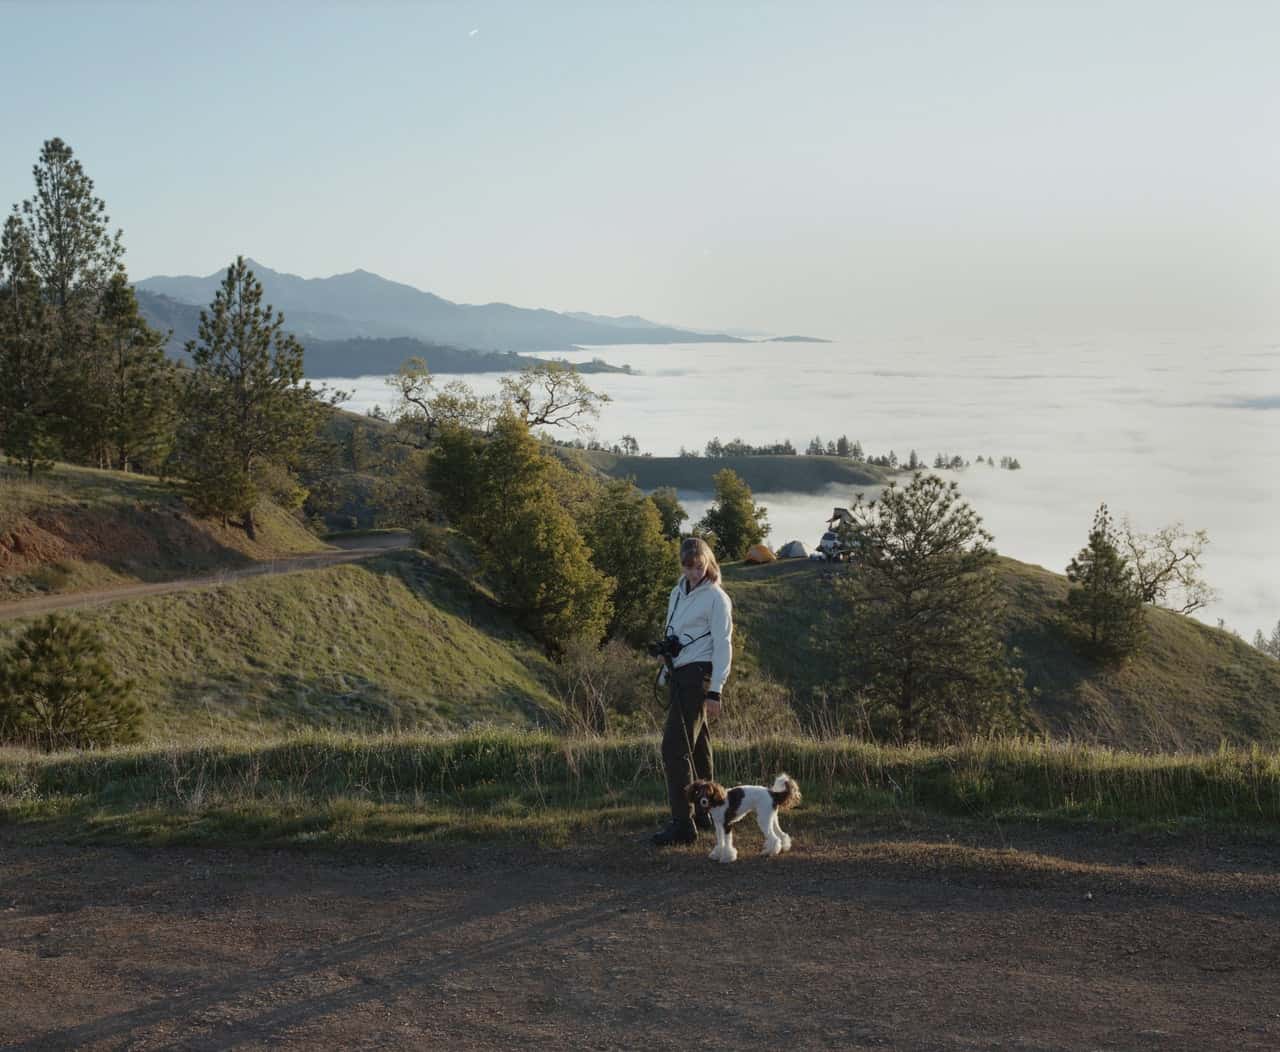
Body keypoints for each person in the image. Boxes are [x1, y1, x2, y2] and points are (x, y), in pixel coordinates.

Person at [651, 535, 734, 847]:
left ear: (708, 561)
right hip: (677, 672)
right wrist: (665, 654)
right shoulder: (678, 591)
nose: (693, 573)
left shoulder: (716, 598)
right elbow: (675, 631)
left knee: (673, 748)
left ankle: (683, 823)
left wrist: (716, 691)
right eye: (687, 568)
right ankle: (708, 811)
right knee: (696, 745)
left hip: (698, 676)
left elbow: (724, 645)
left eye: (697, 567)